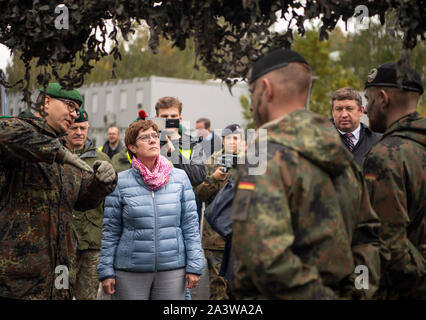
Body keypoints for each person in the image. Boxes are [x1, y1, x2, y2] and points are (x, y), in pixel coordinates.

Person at [230, 48, 381, 300]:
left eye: (252, 93)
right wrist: (358, 293)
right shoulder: (341, 157)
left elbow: (266, 261)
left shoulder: (263, 158)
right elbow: (367, 238)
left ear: (266, 89)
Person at [0, 83, 117, 299]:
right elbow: (8, 134)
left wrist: (100, 184)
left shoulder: (65, 149)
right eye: (69, 106)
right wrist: (58, 152)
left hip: (60, 272)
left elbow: (81, 200)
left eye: (76, 109)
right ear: (46, 102)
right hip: (19, 276)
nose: (74, 114)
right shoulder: (19, 131)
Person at [97, 119, 204, 300]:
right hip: (130, 270)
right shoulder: (120, 182)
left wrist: (195, 264)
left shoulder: (180, 178)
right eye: (145, 137)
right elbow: (110, 230)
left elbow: (190, 226)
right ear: (132, 147)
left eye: (155, 136)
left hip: (172, 269)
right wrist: (106, 270)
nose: (153, 140)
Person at [362, 62, 426, 299]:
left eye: (368, 100)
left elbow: (386, 244)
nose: (366, 108)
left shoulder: (386, 155)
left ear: (383, 98)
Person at [64, 109, 111, 300]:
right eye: (74, 127)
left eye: (83, 128)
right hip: (63, 244)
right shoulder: (55, 156)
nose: (79, 132)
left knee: (88, 296)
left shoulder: (101, 160)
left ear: (88, 128)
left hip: (92, 244)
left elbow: (111, 205)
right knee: (59, 292)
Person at [194, 123, 244, 300]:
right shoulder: (212, 162)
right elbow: (199, 194)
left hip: (243, 238)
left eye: (236, 138)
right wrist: (214, 179)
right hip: (216, 239)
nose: (233, 142)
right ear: (223, 141)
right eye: (229, 138)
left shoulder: (251, 163)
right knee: (219, 292)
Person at [331, 87, 381, 166]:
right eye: (339, 109)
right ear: (333, 112)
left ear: (361, 111)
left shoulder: (378, 141)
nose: (344, 115)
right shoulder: (321, 140)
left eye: (349, 109)